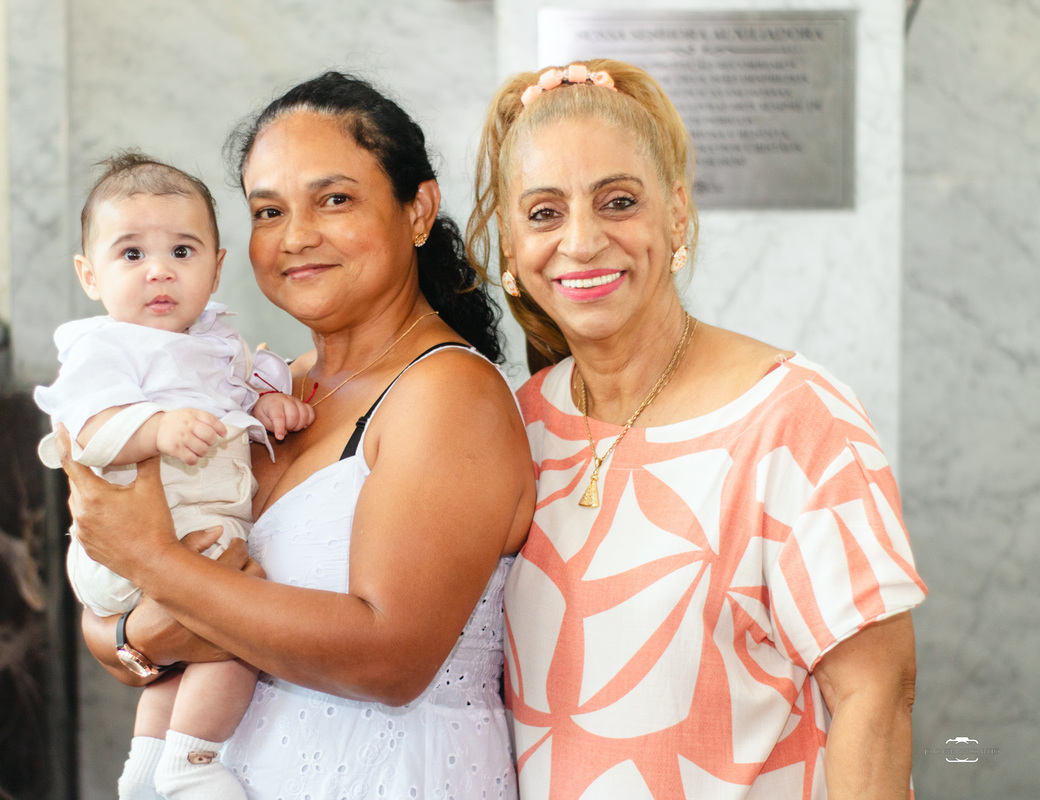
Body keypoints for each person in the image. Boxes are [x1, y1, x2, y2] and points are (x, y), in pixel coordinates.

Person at [53, 72, 535, 799]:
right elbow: (117, 631)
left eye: (334, 199)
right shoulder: (262, 389)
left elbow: (389, 658)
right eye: (268, 211)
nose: (296, 236)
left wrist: (153, 563)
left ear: (418, 208)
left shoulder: (448, 395)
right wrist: (132, 631)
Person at [467, 60, 927, 799]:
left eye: (618, 201)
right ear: (511, 248)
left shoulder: (795, 419)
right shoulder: (513, 424)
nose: (581, 242)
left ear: (676, 214)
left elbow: (878, 698)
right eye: (545, 212)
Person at [34, 153, 314, 800]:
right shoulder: (104, 348)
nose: (159, 270)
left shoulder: (216, 343)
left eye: (182, 251)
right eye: (131, 254)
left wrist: (267, 405)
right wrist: (155, 430)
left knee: (186, 654)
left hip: (189, 529)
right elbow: (87, 432)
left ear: (216, 267)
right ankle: (193, 763)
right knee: (238, 632)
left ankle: (144, 767)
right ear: (89, 274)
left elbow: (238, 398)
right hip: (130, 543)